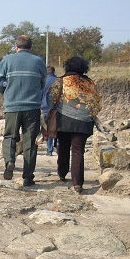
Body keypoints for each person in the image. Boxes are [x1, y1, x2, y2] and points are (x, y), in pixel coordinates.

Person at [0, 35, 47, 186]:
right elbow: (43, 84)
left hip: (12, 107)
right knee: (30, 142)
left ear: (16, 47)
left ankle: (10, 161)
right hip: (32, 107)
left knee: (10, 136)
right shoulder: (38, 61)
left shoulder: (7, 60)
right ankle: (28, 177)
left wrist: (8, 89)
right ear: (30, 47)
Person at [48, 56, 102, 194]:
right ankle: (77, 183)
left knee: (63, 147)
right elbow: (97, 103)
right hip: (83, 123)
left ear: (67, 66)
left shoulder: (60, 81)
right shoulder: (90, 83)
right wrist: (87, 114)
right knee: (78, 151)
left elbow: (51, 99)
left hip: (63, 120)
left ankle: (62, 172)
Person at [41, 65, 58, 156]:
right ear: (54, 72)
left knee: (47, 129)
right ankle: (58, 146)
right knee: (56, 128)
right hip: (56, 108)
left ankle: (49, 149)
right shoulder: (58, 81)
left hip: (44, 107)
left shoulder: (43, 81)